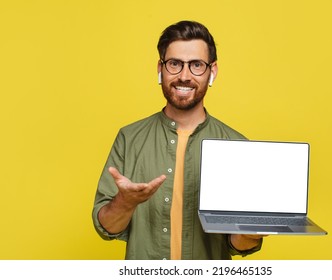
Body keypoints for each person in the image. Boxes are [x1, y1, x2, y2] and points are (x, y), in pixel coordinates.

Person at [92, 20, 264, 260]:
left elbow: (239, 245)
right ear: (160, 69)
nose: (184, 76)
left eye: (196, 65)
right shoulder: (129, 138)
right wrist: (125, 202)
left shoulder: (237, 147)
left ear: (211, 71)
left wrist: (254, 227)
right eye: (174, 64)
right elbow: (107, 228)